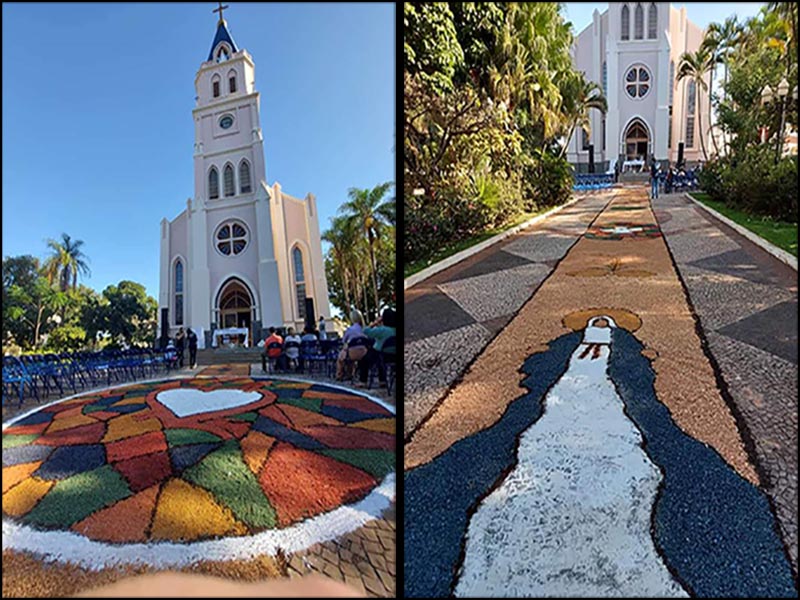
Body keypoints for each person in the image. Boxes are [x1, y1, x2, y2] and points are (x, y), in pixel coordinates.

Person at [358, 308, 396, 386]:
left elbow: (365, 331)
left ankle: (363, 381)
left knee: (364, 359)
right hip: (393, 355)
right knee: (380, 357)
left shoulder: (382, 330)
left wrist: (375, 323)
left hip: (380, 354)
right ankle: (382, 380)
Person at [336, 309, 368, 380]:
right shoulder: (365, 329)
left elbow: (344, 340)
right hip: (364, 352)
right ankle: (350, 373)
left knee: (342, 356)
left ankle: (340, 374)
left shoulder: (350, 330)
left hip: (352, 353)